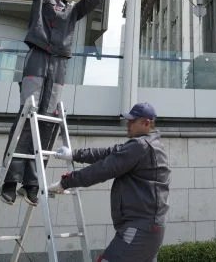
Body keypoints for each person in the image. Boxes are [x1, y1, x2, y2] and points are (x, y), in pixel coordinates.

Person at [1, 0, 102, 206]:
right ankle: (11, 181)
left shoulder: (73, 9)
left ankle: (32, 183)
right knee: (28, 115)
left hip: (58, 64)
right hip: (37, 58)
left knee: (48, 121)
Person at [55, 102, 170, 262]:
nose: (127, 124)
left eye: (132, 121)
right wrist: (74, 155)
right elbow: (110, 154)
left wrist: (66, 182)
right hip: (147, 227)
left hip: (140, 228)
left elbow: (104, 169)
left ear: (146, 123)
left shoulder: (140, 146)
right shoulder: (148, 145)